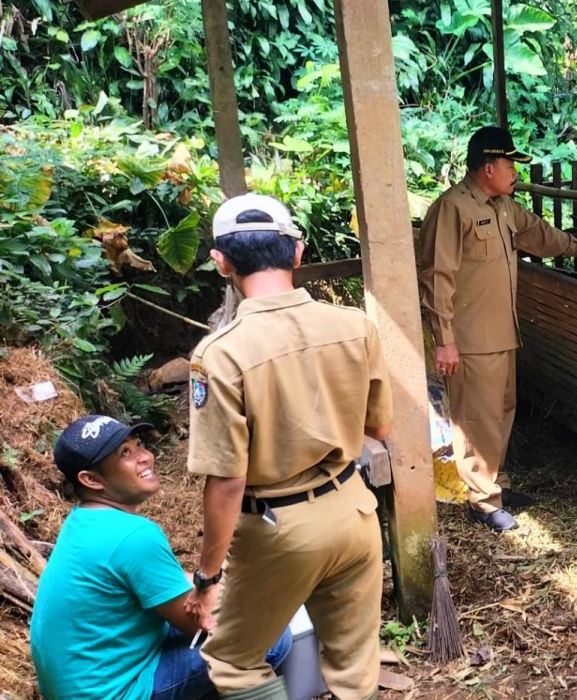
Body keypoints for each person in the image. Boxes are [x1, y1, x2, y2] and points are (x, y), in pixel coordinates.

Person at [186, 193, 393, 699]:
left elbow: (228, 479)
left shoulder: (220, 354)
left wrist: (208, 575)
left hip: (279, 528)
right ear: (297, 254)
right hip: (354, 510)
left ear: (222, 262)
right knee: (354, 665)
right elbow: (380, 429)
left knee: (234, 662)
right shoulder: (355, 327)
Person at [418, 126, 577, 532]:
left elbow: (540, 235)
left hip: (501, 334)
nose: (515, 172)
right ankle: (481, 500)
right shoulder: (452, 209)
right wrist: (445, 341)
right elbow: (437, 276)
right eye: (510, 164)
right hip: (469, 339)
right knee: (476, 420)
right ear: (489, 167)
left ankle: (496, 483)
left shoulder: (504, 206)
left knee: (500, 413)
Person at [30, 415, 291, 700]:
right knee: (271, 636)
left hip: (84, 682)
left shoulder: (83, 521)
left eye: (138, 444)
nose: (146, 457)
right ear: (91, 480)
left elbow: (172, 587)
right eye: (125, 454)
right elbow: (202, 621)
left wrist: (218, 586)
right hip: (119, 691)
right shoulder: (133, 537)